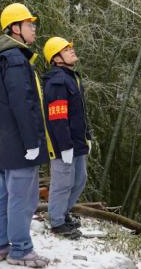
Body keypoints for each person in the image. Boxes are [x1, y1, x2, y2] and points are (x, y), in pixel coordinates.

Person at [0, 3, 54, 267]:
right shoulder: (15, 59)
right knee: (23, 197)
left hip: (4, 143)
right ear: (15, 28)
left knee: (3, 195)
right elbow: (22, 104)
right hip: (19, 143)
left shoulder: (2, 58)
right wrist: (31, 143)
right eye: (29, 24)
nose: (34, 28)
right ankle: (21, 250)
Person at [42, 37, 92, 239]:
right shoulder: (57, 81)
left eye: (71, 47)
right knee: (62, 183)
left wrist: (87, 136)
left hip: (78, 142)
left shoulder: (72, 78)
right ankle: (57, 222)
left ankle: (62, 213)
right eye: (66, 48)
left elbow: (79, 113)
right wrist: (64, 146)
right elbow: (57, 118)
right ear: (56, 57)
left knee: (80, 180)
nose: (72, 50)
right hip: (64, 144)